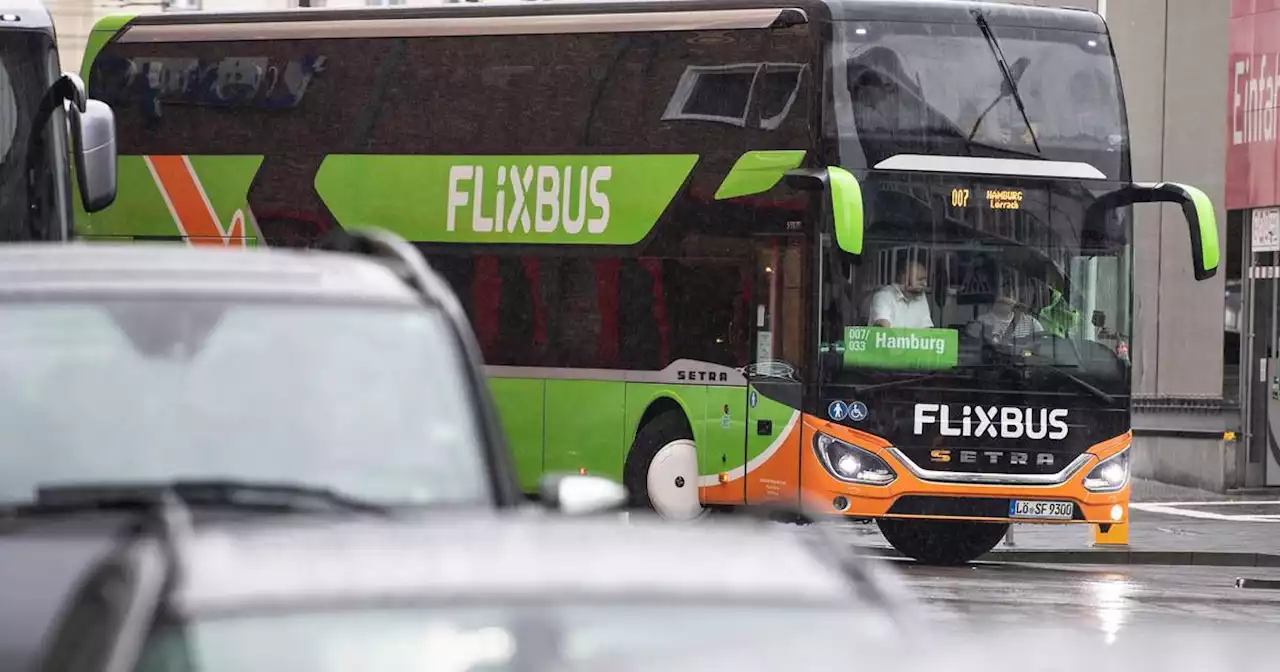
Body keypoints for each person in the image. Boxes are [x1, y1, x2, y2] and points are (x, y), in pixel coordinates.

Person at [868, 259, 933, 329]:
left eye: (925, 280)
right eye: (920, 280)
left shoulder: (921, 298)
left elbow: (926, 331)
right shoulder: (883, 296)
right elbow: (884, 330)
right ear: (904, 278)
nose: (925, 284)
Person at [973, 286, 1043, 344]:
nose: (1006, 299)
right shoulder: (981, 321)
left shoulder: (1031, 322)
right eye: (1003, 297)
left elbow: (1043, 344)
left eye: (1009, 296)